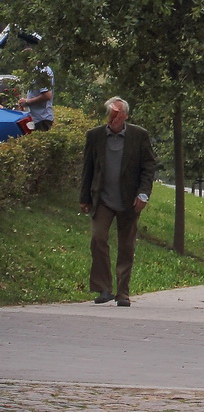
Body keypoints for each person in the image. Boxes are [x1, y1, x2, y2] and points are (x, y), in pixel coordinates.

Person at [79, 97, 157, 306]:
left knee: (126, 245)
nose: (112, 117)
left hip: (129, 199)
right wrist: (84, 197)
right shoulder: (95, 136)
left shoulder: (138, 135)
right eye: (109, 113)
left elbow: (148, 167)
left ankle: (123, 292)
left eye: (117, 113)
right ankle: (104, 288)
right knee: (98, 238)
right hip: (102, 198)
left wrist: (143, 194)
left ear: (125, 115)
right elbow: (88, 167)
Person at [17, 52, 53, 131]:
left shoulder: (42, 72)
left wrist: (27, 101)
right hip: (36, 118)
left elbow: (47, 95)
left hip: (42, 118)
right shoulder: (36, 72)